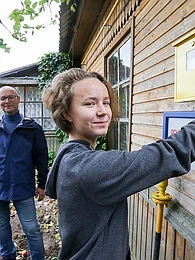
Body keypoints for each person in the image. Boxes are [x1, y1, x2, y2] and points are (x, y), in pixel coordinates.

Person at [42, 68, 195, 260]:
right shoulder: (87, 167)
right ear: (66, 113)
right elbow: (165, 156)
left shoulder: (69, 157)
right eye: (90, 103)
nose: (103, 111)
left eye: (106, 102)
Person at [0, 86, 48, 260]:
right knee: (1, 226)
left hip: (23, 186)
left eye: (10, 97)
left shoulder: (31, 128)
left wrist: (42, 184)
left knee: (31, 228)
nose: (7, 101)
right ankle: (8, 256)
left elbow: (41, 158)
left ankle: (38, 257)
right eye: (3, 98)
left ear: (18, 99)